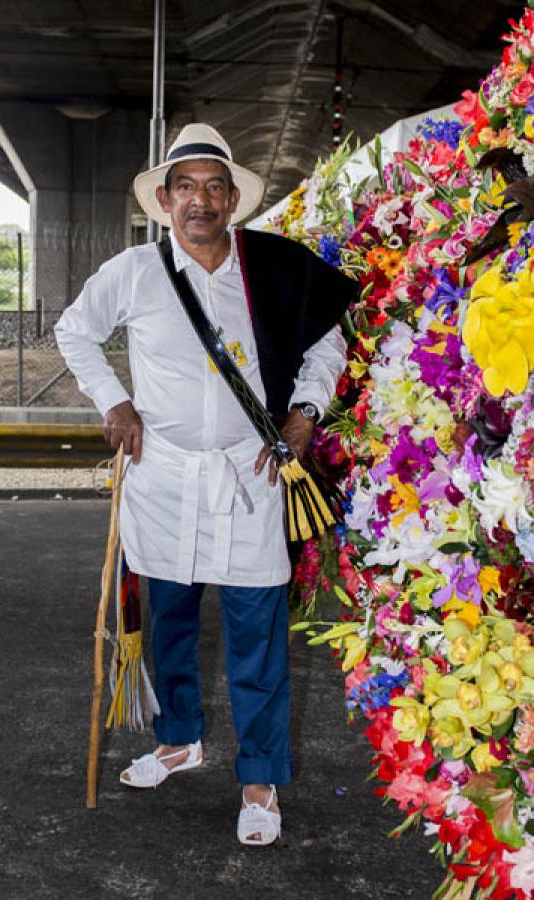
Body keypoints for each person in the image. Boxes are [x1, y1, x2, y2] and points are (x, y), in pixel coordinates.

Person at [55, 123, 357, 845]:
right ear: (165, 200)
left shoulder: (275, 266)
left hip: (247, 476)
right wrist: (113, 401)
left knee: (258, 633)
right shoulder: (132, 270)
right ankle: (180, 739)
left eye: (214, 187)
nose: (200, 201)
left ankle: (259, 777)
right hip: (159, 478)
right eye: (185, 187)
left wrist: (306, 412)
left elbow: (329, 337)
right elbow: (74, 331)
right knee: (171, 619)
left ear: (233, 201)